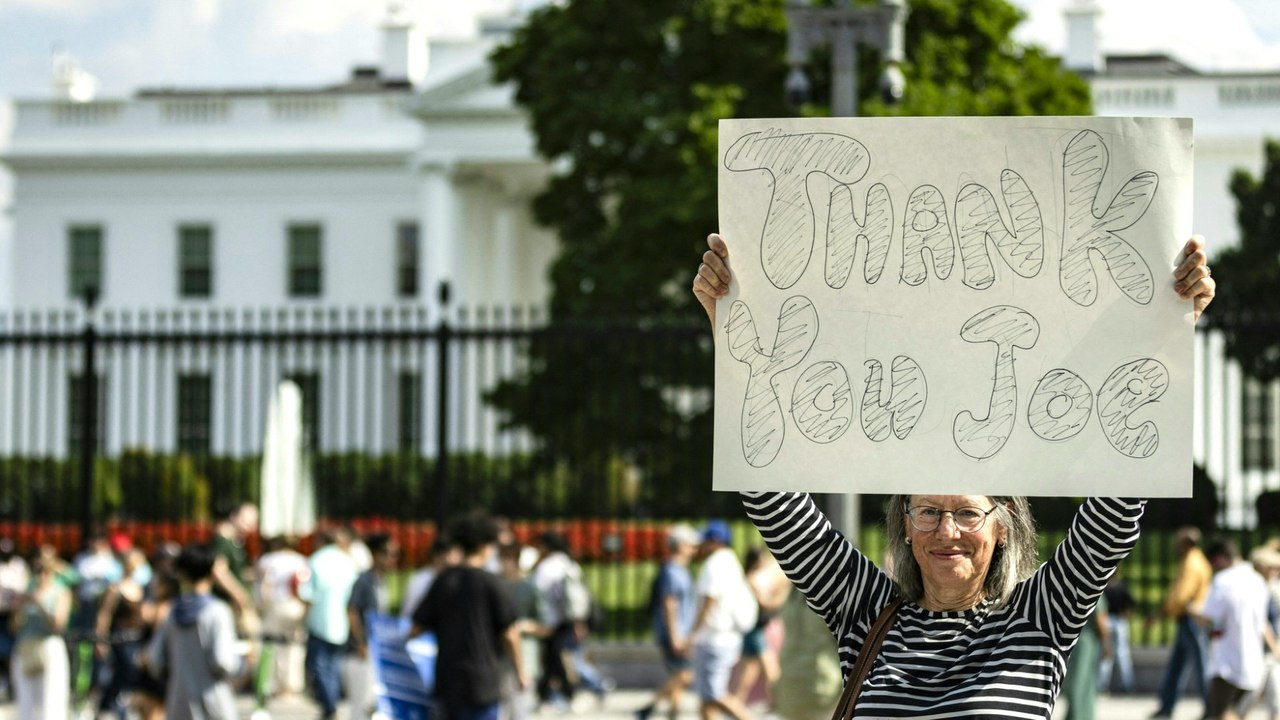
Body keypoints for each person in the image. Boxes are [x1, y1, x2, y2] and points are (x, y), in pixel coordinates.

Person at [691, 232, 1216, 718]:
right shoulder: (865, 610)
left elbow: (1117, 507)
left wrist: (1171, 324)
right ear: (905, 521)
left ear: (1002, 524)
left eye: (966, 512)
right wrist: (730, 324)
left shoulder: (1039, 615)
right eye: (928, 512)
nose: (947, 532)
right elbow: (773, 500)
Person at [411, 513, 529, 720]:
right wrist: (520, 671)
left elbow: (417, 626)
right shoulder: (492, 582)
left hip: (448, 679)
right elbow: (510, 633)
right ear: (486, 546)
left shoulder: (444, 580)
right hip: (483, 681)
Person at [145, 542, 242, 720]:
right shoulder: (217, 611)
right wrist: (243, 665)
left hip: (178, 701)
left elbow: (154, 658)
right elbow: (223, 661)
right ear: (212, 572)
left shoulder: (172, 610)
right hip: (213, 699)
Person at [1196, 538, 1279, 720]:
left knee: (1221, 713)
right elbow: (1263, 622)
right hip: (1252, 662)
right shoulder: (1257, 580)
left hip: (1227, 662)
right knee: (1236, 713)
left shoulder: (1223, 580)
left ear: (1220, 559)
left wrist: (1190, 608)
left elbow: (1207, 616)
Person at [689, 520, 756, 720]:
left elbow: (710, 600)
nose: (702, 545)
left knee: (714, 694)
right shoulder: (729, 560)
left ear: (715, 541)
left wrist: (693, 632)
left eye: (706, 540)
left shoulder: (715, 563)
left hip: (714, 638)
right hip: (722, 637)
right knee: (705, 698)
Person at [635, 523, 701, 720]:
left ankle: (667, 713)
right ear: (680, 545)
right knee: (684, 675)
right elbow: (669, 604)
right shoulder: (671, 571)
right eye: (691, 544)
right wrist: (675, 636)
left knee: (679, 677)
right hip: (674, 632)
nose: (695, 549)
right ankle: (650, 707)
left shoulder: (680, 569)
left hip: (680, 632)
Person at [1151, 526, 1217, 719]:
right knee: (1177, 665)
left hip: (1192, 620)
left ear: (1186, 544)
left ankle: (1210, 707)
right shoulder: (1194, 561)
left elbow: (1180, 596)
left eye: (1178, 543)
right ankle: (1167, 705)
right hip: (1187, 620)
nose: (1175, 546)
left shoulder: (1192, 564)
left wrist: (1162, 612)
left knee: (1201, 665)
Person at [298, 526, 359, 720]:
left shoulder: (315, 560)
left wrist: (302, 619)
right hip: (342, 622)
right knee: (334, 665)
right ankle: (331, 702)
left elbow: (307, 595)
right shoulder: (348, 562)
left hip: (320, 621)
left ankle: (329, 704)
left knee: (319, 665)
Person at [11, 551, 72, 720]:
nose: (41, 575)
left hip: (49, 648)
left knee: (51, 703)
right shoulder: (26, 591)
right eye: (37, 570)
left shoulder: (61, 592)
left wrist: (40, 604)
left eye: (45, 570)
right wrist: (19, 607)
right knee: (25, 703)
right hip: (25, 647)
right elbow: (14, 627)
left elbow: (59, 626)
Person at [345, 532, 400, 720]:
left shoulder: (388, 581)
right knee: (362, 705)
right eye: (388, 553)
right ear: (376, 554)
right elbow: (352, 611)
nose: (392, 558)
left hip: (382, 649)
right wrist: (360, 643)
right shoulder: (364, 580)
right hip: (364, 650)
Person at [94, 547, 151, 720]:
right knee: (124, 669)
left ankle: (123, 705)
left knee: (135, 674)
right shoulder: (115, 589)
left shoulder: (141, 588)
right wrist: (100, 640)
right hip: (121, 638)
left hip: (138, 638)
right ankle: (107, 704)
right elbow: (104, 615)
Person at [734, 547, 790, 710]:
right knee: (771, 671)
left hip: (753, 630)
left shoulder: (754, 578)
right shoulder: (752, 579)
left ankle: (736, 705)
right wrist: (784, 592)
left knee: (748, 675)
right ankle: (778, 705)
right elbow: (766, 604)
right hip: (755, 630)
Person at [255, 534, 310, 698]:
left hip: (276, 606)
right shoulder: (301, 561)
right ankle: (291, 685)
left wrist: (262, 605)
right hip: (295, 606)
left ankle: (270, 683)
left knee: (271, 645)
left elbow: (265, 584)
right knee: (294, 646)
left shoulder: (268, 560)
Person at [1239, 543, 1280, 720]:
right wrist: (1275, 647)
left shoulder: (1269, 588)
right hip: (1261, 651)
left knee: (1275, 700)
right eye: (1271, 568)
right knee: (1251, 697)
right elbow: (1262, 622)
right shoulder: (1256, 589)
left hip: (1271, 653)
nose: (1275, 573)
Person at [1060, 593, 1111, 720]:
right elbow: (1100, 620)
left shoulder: (1073, 589)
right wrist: (1106, 644)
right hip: (1086, 644)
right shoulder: (1094, 589)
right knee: (1083, 683)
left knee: (1074, 681)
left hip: (1070, 642)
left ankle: (1074, 715)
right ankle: (1080, 716)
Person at [399, 534, 461, 621]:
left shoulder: (457, 580)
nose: (457, 559)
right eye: (454, 554)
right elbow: (407, 615)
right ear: (438, 555)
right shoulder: (419, 580)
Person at [1097, 568, 1138, 694]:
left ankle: (1101, 686)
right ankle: (1127, 685)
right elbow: (1132, 604)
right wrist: (1126, 615)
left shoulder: (1103, 588)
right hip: (1120, 622)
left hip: (1107, 621)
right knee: (1123, 654)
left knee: (1106, 656)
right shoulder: (1122, 587)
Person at [0, 538, 30, 700]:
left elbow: (22, 589)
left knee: (12, 651)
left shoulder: (19, 566)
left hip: (13, 614)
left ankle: (12, 684)